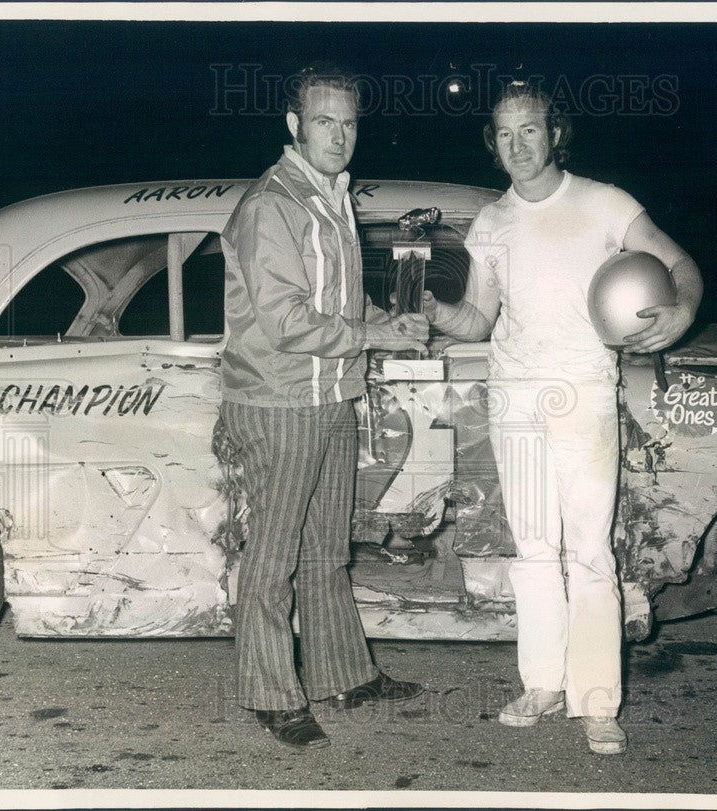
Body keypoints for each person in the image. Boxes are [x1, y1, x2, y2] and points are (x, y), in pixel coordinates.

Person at [424, 81, 703, 755]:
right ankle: (543, 684)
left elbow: (679, 262)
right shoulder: (490, 222)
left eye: (531, 130)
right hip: (514, 398)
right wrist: (434, 311)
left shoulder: (605, 202)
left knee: (589, 552)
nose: (519, 145)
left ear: (555, 133)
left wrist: (683, 307)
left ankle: (598, 700)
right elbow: (480, 318)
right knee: (534, 550)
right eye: (505, 134)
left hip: (582, 393)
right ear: (493, 145)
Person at [218, 63, 426, 751]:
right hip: (279, 401)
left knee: (326, 551)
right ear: (293, 125)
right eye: (323, 121)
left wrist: (387, 321)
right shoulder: (272, 204)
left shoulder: (331, 199)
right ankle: (269, 694)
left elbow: (338, 303)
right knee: (272, 558)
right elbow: (284, 321)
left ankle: (344, 674)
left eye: (348, 122)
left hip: (331, 395)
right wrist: (368, 334)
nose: (338, 135)